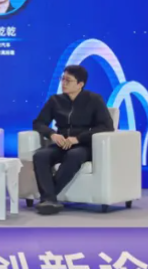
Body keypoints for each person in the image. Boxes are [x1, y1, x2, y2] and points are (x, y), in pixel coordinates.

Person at [31, 65, 114, 215]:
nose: (63, 83)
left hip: (84, 145)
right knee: (40, 156)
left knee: (74, 155)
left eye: (68, 80)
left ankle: (48, 198)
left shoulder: (94, 99)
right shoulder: (55, 100)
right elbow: (38, 123)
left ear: (80, 84)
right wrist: (52, 134)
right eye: (62, 79)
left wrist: (78, 139)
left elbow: (106, 126)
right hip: (61, 144)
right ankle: (50, 200)